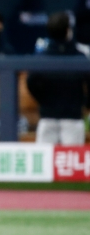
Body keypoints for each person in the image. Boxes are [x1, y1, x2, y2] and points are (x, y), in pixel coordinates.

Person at [27, 12, 90, 145]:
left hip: (51, 116)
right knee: (70, 162)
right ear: (68, 30)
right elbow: (31, 82)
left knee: (46, 160)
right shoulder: (80, 57)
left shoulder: (42, 58)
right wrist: (84, 104)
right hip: (70, 117)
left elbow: (31, 82)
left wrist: (43, 100)